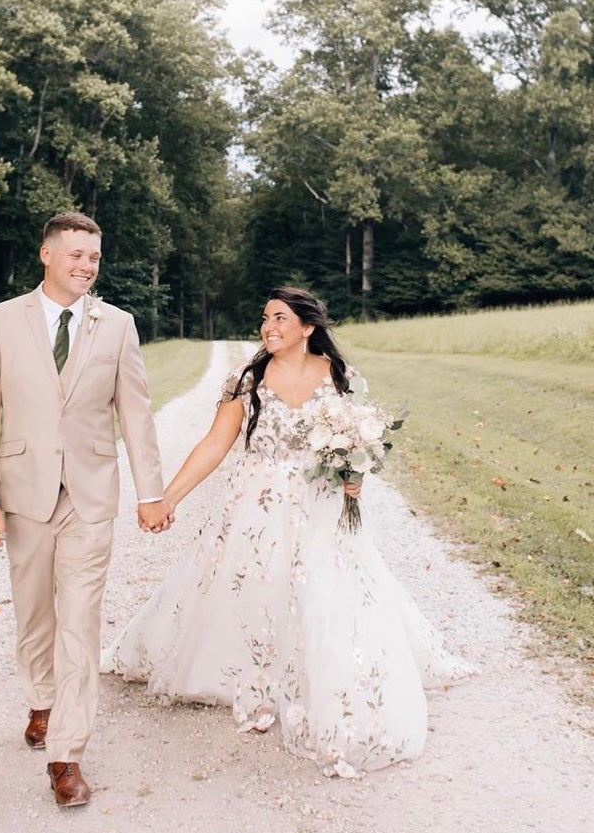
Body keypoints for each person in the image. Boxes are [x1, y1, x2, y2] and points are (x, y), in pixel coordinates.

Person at [103, 286, 474, 777]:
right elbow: (215, 444)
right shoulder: (247, 379)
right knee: (257, 583)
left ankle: (319, 676)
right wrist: (168, 498)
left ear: (307, 327)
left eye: (280, 318)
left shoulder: (340, 376)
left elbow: (356, 442)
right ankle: (253, 673)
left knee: (323, 589)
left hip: (321, 505)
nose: (268, 326)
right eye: (265, 318)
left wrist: (355, 474)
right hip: (257, 504)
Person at [0, 211, 172, 808]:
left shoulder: (118, 326)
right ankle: (41, 700)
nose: (87, 266)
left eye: (95, 257)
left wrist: (151, 491)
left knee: (80, 620)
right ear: (47, 255)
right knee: (34, 614)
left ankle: (67, 754)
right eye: (77, 255)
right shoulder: (1, 321)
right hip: (23, 492)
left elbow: (135, 413)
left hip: (90, 495)